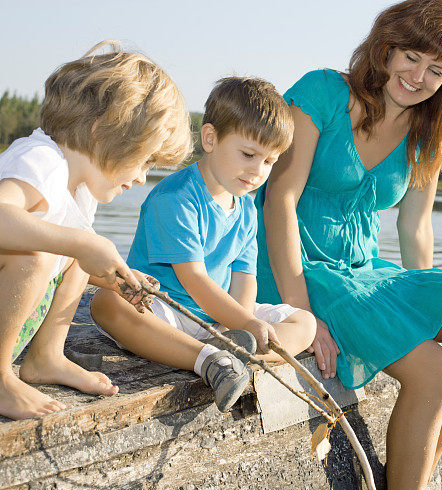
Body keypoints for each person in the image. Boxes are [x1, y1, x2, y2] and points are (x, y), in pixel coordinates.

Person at [255, 1, 442, 490]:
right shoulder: (323, 92)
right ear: (387, 47)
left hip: (360, 269)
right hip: (292, 266)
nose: (416, 78)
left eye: (435, 71)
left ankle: (403, 486)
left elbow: (415, 228)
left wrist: (423, 317)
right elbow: (279, 198)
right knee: (435, 372)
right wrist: (302, 317)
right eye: (411, 57)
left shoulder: (429, 130)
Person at [91, 77, 316, 413]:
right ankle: (207, 358)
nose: (257, 171)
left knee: (306, 323)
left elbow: (244, 279)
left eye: (269, 162)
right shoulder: (177, 197)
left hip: (220, 318)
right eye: (248, 154)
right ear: (210, 139)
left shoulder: (245, 209)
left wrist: (237, 323)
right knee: (107, 304)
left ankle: (234, 351)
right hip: (165, 312)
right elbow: (193, 279)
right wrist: (243, 323)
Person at [0, 41, 193, 420]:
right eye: (144, 159)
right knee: (39, 254)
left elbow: (73, 254)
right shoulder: (41, 160)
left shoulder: (80, 193)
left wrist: (114, 277)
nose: (141, 177)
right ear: (106, 130)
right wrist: (81, 242)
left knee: (73, 254)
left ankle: (45, 357)